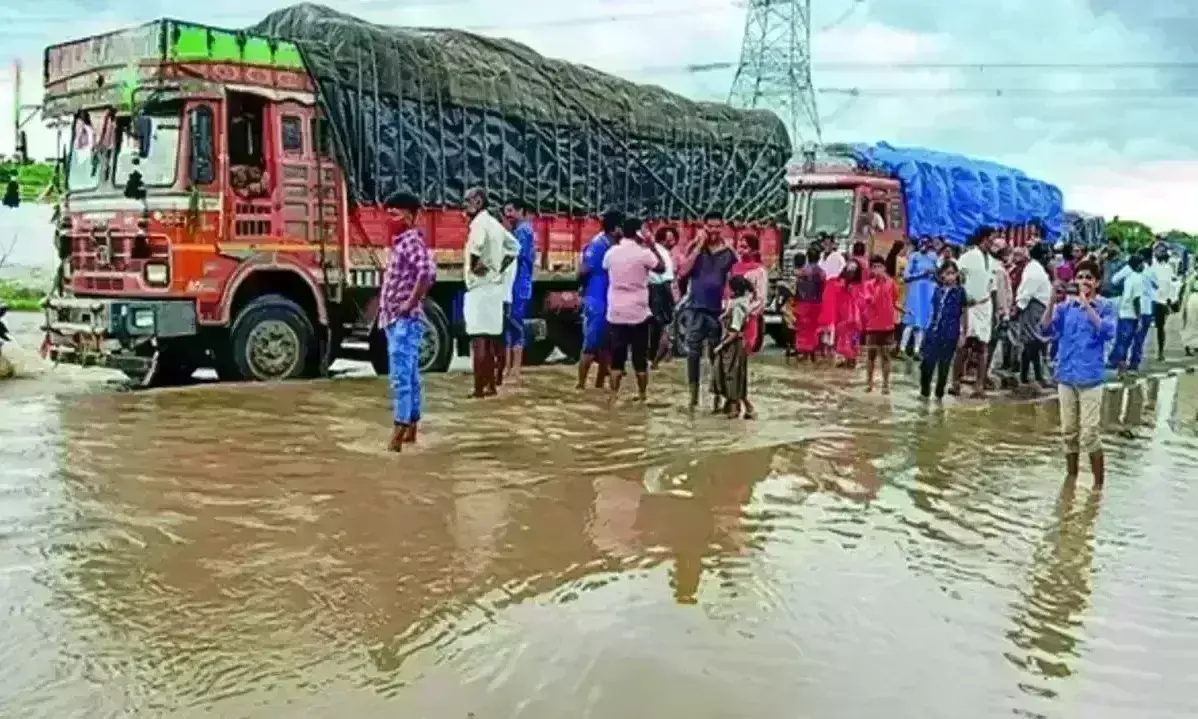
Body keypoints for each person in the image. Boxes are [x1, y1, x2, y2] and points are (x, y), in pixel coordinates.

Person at [1042, 259, 1116, 487]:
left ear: (1097, 282)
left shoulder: (1106, 307)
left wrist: (1087, 306)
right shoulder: (1066, 308)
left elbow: (1107, 332)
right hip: (1066, 375)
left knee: (1090, 433)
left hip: (1091, 378)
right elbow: (1045, 329)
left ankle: (1098, 486)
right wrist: (1051, 301)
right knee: (1069, 432)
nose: (1084, 282)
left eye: (1089, 278)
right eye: (1081, 277)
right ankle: (1071, 479)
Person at [377, 192, 436, 451]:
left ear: (410, 216)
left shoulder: (410, 241)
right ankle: (411, 430)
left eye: (395, 213)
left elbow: (428, 272)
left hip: (404, 320)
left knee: (401, 378)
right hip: (397, 319)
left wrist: (409, 303)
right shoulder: (402, 242)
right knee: (410, 376)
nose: (390, 218)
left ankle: (397, 436)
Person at [676, 211, 737, 411]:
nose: (713, 230)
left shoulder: (728, 253)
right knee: (693, 353)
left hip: (717, 311)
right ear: (704, 227)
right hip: (695, 308)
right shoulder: (696, 248)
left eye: (717, 226)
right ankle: (693, 399)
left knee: (716, 355)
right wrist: (698, 246)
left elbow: (734, 281)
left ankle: (717, 398)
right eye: (709, 226)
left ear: (722, 227)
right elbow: (683, 271)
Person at [463, 187, 518, 399]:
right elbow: (514, 248)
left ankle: (478, 390)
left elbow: (476, 249)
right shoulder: (495, 225)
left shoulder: (479, 224)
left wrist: (477, 266)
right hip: (494, 288)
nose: (464, 205)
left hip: (479, 287)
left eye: (467, 200)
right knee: (491, 341)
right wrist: (499, 267)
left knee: (478, 342)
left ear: (478, 201)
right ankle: (491, 386)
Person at [602, 217, 664, 404]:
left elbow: (606, 268)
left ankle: (614, 396)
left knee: (617, 358)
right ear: (638, 233)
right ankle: (643, 396)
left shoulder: (611, 253)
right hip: (638, 312)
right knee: (639, 357)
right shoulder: (644, 254)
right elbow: (661, 268)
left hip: (616, 312)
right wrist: (652, 245)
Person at [578, 210, 623, 390]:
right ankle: (580, 384)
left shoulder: (612, 245)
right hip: (597, 300)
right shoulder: (598, 245)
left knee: (607, 345)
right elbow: (582, 270)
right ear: (614, 229)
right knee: (591, 344)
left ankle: (599, 384)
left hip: (608, 299)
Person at [951, 229, 996, 398]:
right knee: (963, 345)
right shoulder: (967, 257)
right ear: (983, 239)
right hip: (968, 306)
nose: (993, 243)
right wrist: (960, 297)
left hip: (985, 305)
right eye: (991, 239)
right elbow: (956, 275)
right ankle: (955, 383)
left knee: (983, 346)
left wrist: (998, 311)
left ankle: (979, 386)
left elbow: (993, 288)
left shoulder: (992, 261)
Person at [919, 261, 966, 401]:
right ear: (941, 276)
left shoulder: (960, 292)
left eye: (952, 273)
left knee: (944, 366)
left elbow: (963, 312)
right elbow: (932, 311)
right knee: (927, 364)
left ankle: (939, 395)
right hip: (933, 331)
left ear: (957, 275)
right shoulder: (937, 291)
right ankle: (924, 393)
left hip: (950, 332)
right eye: (946, 274)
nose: (950, 277)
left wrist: (962, 333)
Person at [502, 199, 537, 383]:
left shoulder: (523, 231)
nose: (507, 214)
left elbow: (516, 254)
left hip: (519, 285)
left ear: (520, 211)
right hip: (515, 284)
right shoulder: (519, 230)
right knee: (511, 325)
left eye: (510, 210)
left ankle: (515, 369)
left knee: (515, 325)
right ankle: (509, 369)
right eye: (505, 211)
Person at [712, 275, 756, 419]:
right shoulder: (741, 302)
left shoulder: (738, 306)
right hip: (735, 345)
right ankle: (742, 408)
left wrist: (720, 346)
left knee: (731, 377)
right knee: (734, 377)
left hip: (733, 346)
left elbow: (735, 332)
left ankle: (740, 408)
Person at [1012, 241, 1054, 391]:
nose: (1050, 256)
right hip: (1033, 308)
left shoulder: (1036, 269)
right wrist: (1016, 310)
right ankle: (1031, 377)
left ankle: (1032, 376)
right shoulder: (1035, 271)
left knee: (1034, 343)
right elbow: (1025, 293)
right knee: (1032, 343)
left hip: (1038, 308)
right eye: (1048, 254)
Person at [862, 254, 901, 393]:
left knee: (886, 355)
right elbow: (870, 300)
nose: (877, 269)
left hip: (887, 325)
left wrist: (901, 311)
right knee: (871, 355)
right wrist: (879, 284)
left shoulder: (892, 283)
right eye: (874, 267)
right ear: (871, 270)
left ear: (884, 267)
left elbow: (895, 300)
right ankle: (869, 383)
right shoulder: (868, 285)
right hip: (872, 325)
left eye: (880, 266)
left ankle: (885, 384)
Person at [1106, 252, 1145, 373]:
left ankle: (1117, 363)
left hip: (1124, 312)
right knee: (1125, 341)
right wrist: (1139, 318)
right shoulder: (1138, 279)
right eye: (1142, 263)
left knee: (1122, 340)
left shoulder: (1130, 277)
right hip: (1131, 314)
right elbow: (1136, 300)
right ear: (1138, 265)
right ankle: (1118, 364)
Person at [730, 234, 768, 353]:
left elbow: (761, 298)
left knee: (745, 351)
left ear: (754, 250)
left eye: (745, 247)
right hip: (732, 316)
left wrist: (746, 311)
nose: (741, 250)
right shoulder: (734, 267)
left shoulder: (759, 270)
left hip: (749, 317)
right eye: (739, 247)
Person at [901, 237, 938, 357]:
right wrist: (922, 274)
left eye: (927, 243)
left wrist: (934, 273)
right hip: (915, 290)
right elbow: (906, 276)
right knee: (911, 320)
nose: (924, 245)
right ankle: (902, 348)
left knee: (922, 322)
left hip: (927, 291)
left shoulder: (933, 257)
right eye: (923, 242)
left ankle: (917, 350)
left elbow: (938, 274)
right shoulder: (914, 256)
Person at [648, 226, 678, 367]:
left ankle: (654, 355)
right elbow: (667, 277)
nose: (673, 241)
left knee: (656, 325)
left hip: (654, 289)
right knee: (664, 326)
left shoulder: (659, 251)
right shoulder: (662, 253)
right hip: (660, 290)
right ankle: (655, 358)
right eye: (670, 239)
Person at [792, 245, 825, 360]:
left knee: (802, 328)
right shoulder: (821, 273)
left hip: (802, 304)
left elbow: (796, 290)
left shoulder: (801, 272)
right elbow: (823, 290)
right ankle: (812, 352)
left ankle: (801, 352)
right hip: (816, 304)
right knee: (814, 328)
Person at [832, 258, 866, 367]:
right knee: (843, 344)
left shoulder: (859, 287)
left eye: (853, 270)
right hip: (843, 320)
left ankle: (851, 360)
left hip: (854, 322)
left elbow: (862, 303)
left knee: (853, 344)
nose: (850, 273)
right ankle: (845, 359)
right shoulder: (840, 285)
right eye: (849, 270)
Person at [1147, 244, 1179, 361]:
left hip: (1162, 301)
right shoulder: (1151, 267)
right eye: (1157, 251)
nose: (1159, 253)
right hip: (1151, 300)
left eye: (1162, 251)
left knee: (1160, 327)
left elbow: (1171, 285)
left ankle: (1160, 352)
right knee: (1144, 326)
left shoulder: (1169, 268)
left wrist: (1170, 300)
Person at [1182, 267, 1198, 356]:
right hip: (1193, 299)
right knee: (1191, 323)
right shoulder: (1193, 276)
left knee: (1193, 323)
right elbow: (1187, 291)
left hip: (1193, 298)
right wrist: (1184, 305)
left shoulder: (1193, 276)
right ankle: (1187, 346)